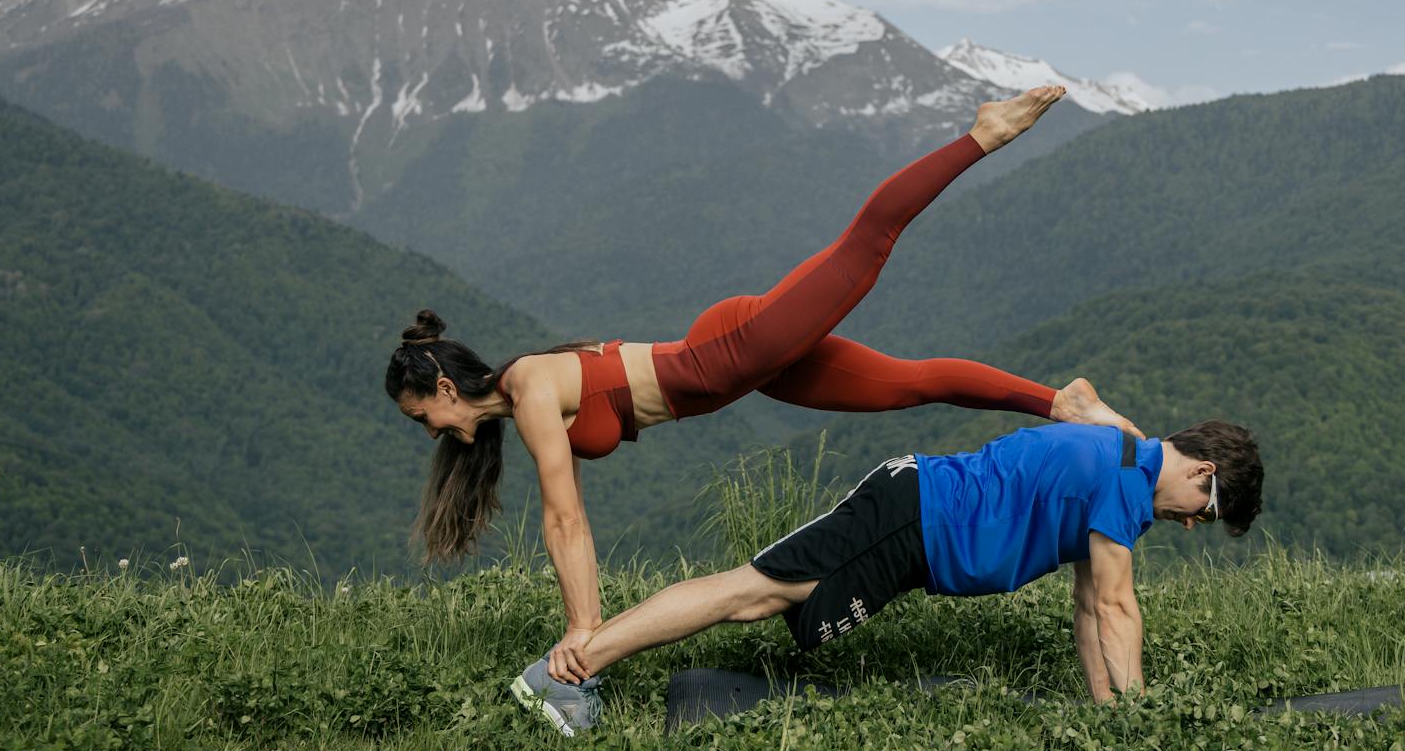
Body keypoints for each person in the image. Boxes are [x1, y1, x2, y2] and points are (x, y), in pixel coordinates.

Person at [385, 87, 1145, 683]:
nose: (431, 433)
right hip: (741, 371)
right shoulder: (524, 392)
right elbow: (567, 519)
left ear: (444, 387)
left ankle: (981, 134)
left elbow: (565, 520)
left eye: (422, 416)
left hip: (733, 350)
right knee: (909, 385)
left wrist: (584, 628)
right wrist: (584, 617)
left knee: (865, 247)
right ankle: (1059, 401)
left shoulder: (529, 388)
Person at [523, 419, 1264, 733]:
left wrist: (1109, 716)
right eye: (1211, 502)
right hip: (910, 519)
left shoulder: (1123, 462)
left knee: (759, 597)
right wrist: (1144, 729)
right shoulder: (1126, 482)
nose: (1195, 518)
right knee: (751, 592)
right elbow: (1117, 606)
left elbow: (1089, 609)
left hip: (914, 522)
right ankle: (571, 670)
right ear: (1201, 468)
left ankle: (578, 667)